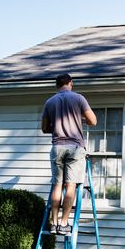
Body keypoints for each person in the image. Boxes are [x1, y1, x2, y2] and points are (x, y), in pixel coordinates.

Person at [41, 73, 97, 235]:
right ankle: (64, 224)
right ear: (71, 83)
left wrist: (58, 125)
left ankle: (54, 223)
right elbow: (93, 122)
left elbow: (45, 128)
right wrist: (79, 120)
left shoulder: (49, 102)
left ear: (57, 85)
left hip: (57, 146)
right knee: (70, 185)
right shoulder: (79, 98)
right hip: (75, 147)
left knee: (57, 185)